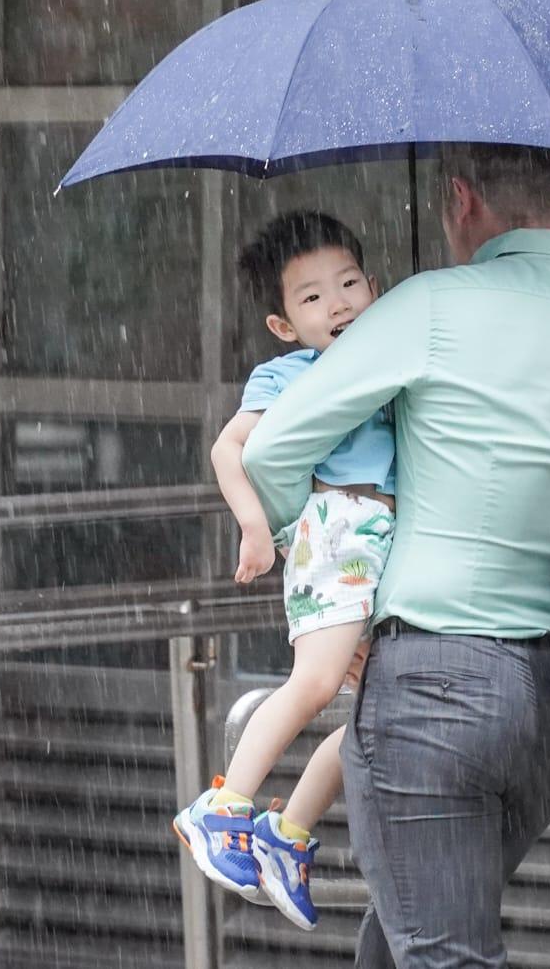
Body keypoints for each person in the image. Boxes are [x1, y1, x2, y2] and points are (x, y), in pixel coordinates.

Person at [241, 144, 550, 966]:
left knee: (439, 949)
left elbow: (271, 450)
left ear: (459, 201)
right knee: (411, 935)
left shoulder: (427, 306)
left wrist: (325, 585)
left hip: (433, 690)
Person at [172, 210, 395, 931]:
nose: (337, 303)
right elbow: (226, 449)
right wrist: (252, 529)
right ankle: (223, 808)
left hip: (388, 548)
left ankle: (285, 835)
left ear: (375, 287)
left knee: (378, 713)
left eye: (350, 283)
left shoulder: (390, 361)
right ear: (282, 325)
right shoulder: (290, 373)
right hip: (338, 533)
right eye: (310, 297)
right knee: (316, 683)